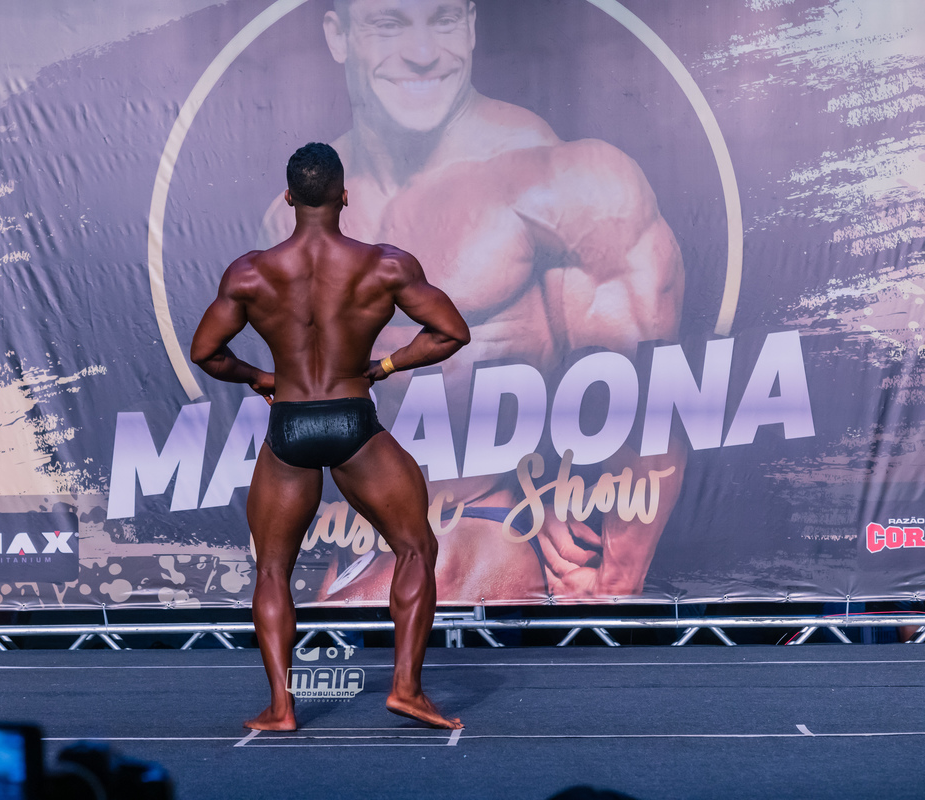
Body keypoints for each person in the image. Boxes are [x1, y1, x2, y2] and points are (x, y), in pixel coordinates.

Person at [258, 0, 685, 603]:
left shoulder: (567, 183)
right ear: (339, 36)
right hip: (364, 533)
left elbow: (648, 397)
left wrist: (611, 579)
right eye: (389, 23)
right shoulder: (291, 216)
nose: (423, 52)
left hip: (490, 527)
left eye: (445, 21)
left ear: (472, 26)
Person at [191, 142, 470, 730]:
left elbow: (207, 353)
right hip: (352, 422)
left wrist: (261, 377)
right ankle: (406, 690)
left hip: (290, 425)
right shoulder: (385, 266)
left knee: (273, 569)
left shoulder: (250, 273)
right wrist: (384, 367)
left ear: (288, 197)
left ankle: (281, 707)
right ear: (345, 196)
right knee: (415, 548)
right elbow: (450, 332)